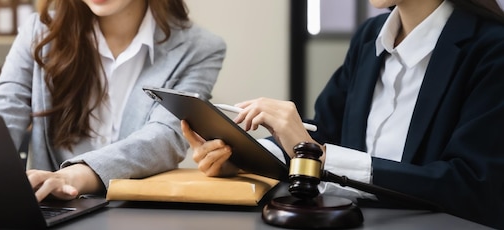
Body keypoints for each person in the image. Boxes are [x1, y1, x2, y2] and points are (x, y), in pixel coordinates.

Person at [181, 0, 504, 228]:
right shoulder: (370, 36)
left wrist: (314, 156)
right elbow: (325, 129)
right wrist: (240, 156)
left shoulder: (492, 48)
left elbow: (473, 185)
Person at [0, 0, 225, 203]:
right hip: (48, 208)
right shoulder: (39, 30)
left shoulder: (200, 48)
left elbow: (165, 136)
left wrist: (76, 175)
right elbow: (3, 112)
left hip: (135, 213)